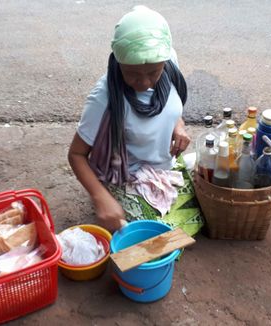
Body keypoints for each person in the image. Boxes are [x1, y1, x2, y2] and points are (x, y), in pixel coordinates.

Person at [68, 6, 203, 234]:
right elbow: (76, 154)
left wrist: (178, 126)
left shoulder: (169, 61)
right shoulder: (104, 98)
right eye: (132, 73)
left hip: (165, 163)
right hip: (127, 174)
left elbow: (170, 107)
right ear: (118, 62)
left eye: (153, 72)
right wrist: (100, 197)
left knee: (213, 192)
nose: (145, 83)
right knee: (155, 235)